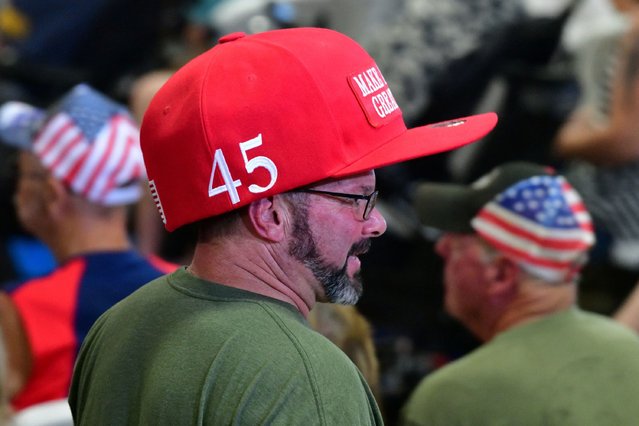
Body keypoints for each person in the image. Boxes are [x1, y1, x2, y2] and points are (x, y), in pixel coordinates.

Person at [69, 27, 497, 425]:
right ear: (269, 215)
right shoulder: (308, 378)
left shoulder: (117, 328)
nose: (377, 224)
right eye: (359, 200)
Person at [401, 161, 639, 425]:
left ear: (502, 273)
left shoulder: (452, 398)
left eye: (456, 242)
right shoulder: (631, 353)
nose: (441, 248)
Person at [0, 83, 176, 411]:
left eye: (21, 173)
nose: (16, 188)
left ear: (53, 195)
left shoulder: (18, 310)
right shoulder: (187, 290)